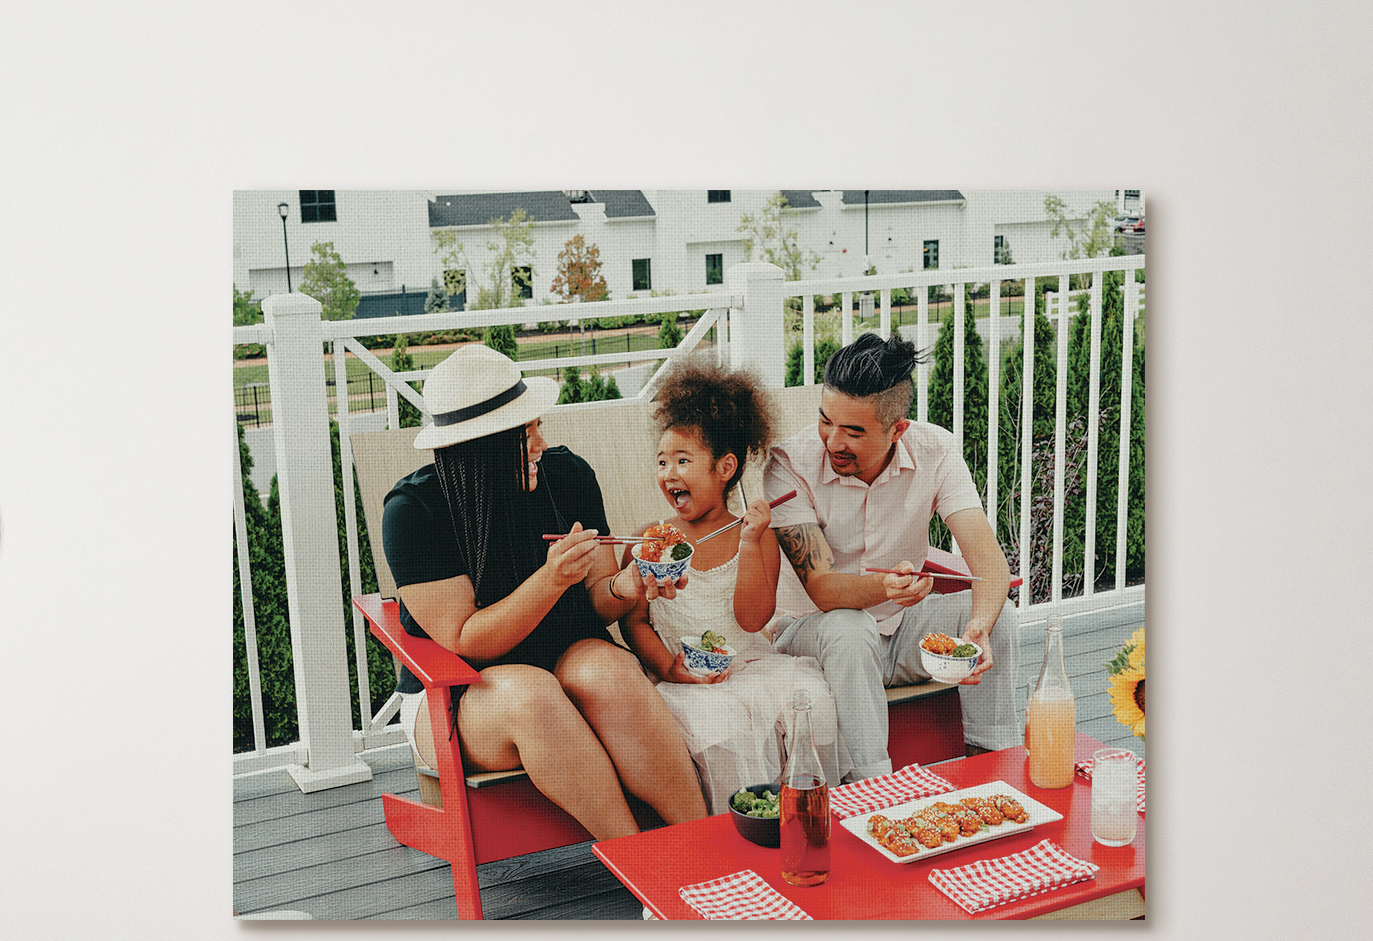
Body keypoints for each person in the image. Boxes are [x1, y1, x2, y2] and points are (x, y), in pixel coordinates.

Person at [381, 344, 707, 842]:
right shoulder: (414, 511)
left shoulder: (566, 475)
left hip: (562, 661)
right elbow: (466, 639)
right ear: (482, 445)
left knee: (610, 671)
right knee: (532, 695)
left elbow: (598, 598)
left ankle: (705, 847)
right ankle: (642, 866)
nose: (540, 442)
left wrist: (627, 584)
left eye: (537, 425)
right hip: (460, 693)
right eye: (525, 431)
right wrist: (550, 580)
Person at [766, 332, 1022, 783]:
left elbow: (989, 564)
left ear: (898, 429)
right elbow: (823, 589)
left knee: (999, 614)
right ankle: (871, 789)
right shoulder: (788, 464)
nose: (832, 440)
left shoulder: (935, 450)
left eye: (854, 431)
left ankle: (991, 768)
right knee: (850, 625)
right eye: (827, 421)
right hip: (810, 637)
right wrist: (885, 588)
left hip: (900, 631)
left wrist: (978, 627)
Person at [619, 354, 841, 803]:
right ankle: (733, 835)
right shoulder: (649, 540)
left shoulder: (755, 535)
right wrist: (668, 669)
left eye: (683, 461)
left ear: (724, 468)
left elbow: (753, 618)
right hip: (683, 681)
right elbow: (635, 622)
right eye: (662, 462)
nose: (669, 474)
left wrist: (750, 542)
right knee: (722, 722)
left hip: (752, 665)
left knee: (810, 700)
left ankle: (804, 814)